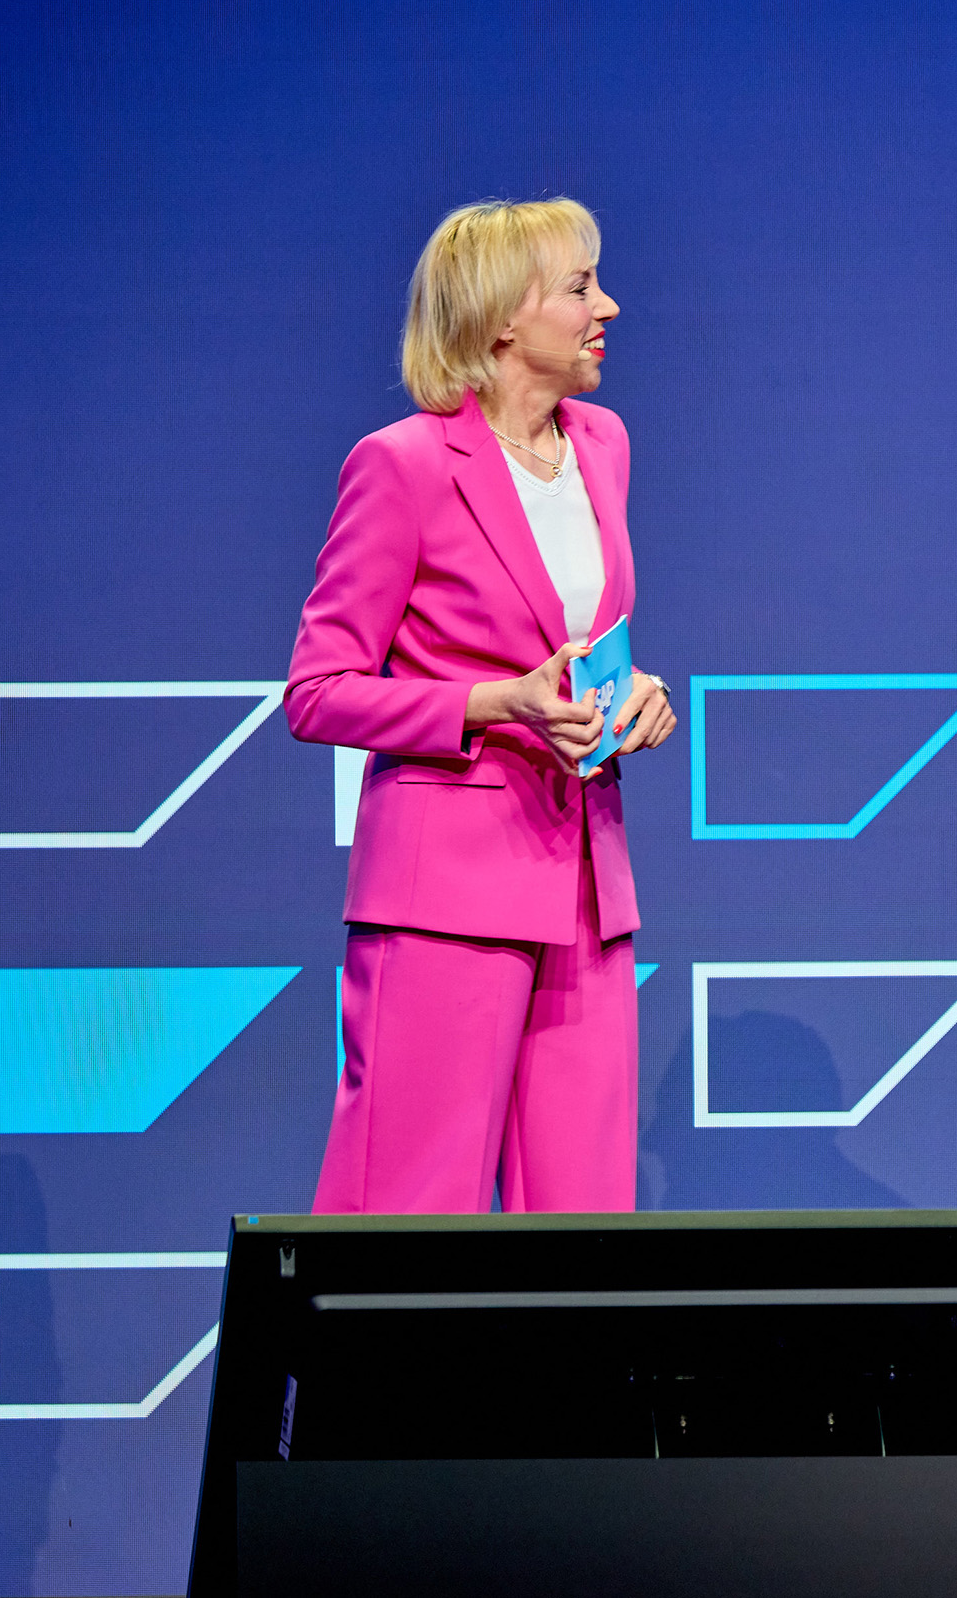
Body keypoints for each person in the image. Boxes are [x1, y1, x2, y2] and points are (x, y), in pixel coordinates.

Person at [285, 198, 677, 1214]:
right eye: (582, 287)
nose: (610, 306)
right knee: (406, 1219)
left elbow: (584, 636)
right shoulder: (403, 466)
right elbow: (318, 691)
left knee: (582, 1236)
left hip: (587, 892)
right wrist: (491, 704)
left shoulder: (604, 444)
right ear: (504, 316)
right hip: (442, 903)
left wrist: (638, 691)